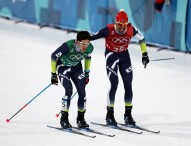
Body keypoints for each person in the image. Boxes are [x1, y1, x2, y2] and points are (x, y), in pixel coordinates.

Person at [90, 9, 149, 126]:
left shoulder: (131, 29)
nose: (121, 28)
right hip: (111, 55)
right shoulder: (109, 29)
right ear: (115, 23)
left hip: (124, 57)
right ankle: (110, 115)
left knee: (128, 84)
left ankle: (128, 115)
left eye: (124, 26)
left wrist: (145, 54)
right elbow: (92, 36)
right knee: (114, 83)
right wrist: (80, 39)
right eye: (119, 25)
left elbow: (141, 38)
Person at [51, 31, 94, 129]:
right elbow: (53, 56)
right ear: (77, 42)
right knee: (69, 91)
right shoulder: (68, 46)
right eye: (83, 44)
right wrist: (53, 74)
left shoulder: (90, 48)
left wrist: (87, 73)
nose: (85, 46)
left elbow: (88, 58)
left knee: (82, 93)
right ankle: (64, 119)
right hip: (63, 67)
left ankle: (80, 119)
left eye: (87, 44)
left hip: (76, 68)